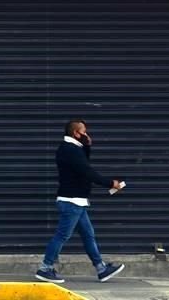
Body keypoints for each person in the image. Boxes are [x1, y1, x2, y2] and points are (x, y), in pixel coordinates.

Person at [35, 119, 125, 284]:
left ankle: (101, 268)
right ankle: (45, 268)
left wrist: (87, 146)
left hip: (77, 202)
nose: (86, 134)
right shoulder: (70, 150)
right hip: (71, 202)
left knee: (88, 235)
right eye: (83, 132)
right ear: (76, 133)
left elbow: (83, 165)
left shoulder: (71, 149)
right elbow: (87, 172)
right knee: (62, 235)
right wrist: (111, 183)